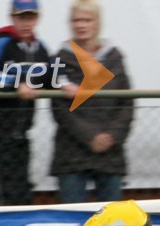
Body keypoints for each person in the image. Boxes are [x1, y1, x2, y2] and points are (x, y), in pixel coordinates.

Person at [50, 0, 133, 203]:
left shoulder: (115, 58)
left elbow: (127, 103)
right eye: (76, 20)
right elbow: (59, 109)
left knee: (112, 223)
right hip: (71, 155)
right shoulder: (60, 59)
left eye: (87, 20)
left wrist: (111, 136)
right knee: (72, 221)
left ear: (97, 23)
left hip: (110, 154)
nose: (81, 25)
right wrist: (90, 136)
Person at [0, 0, 51, 206]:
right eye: (21, 17)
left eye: (30, 17)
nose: (26, 22)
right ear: (12, 17)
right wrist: (15, 83)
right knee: (1, 192)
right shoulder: (1, 42)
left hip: (22, 132)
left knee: (23, 192)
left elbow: (51, 78)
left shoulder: (41, 48)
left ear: (37, 18)